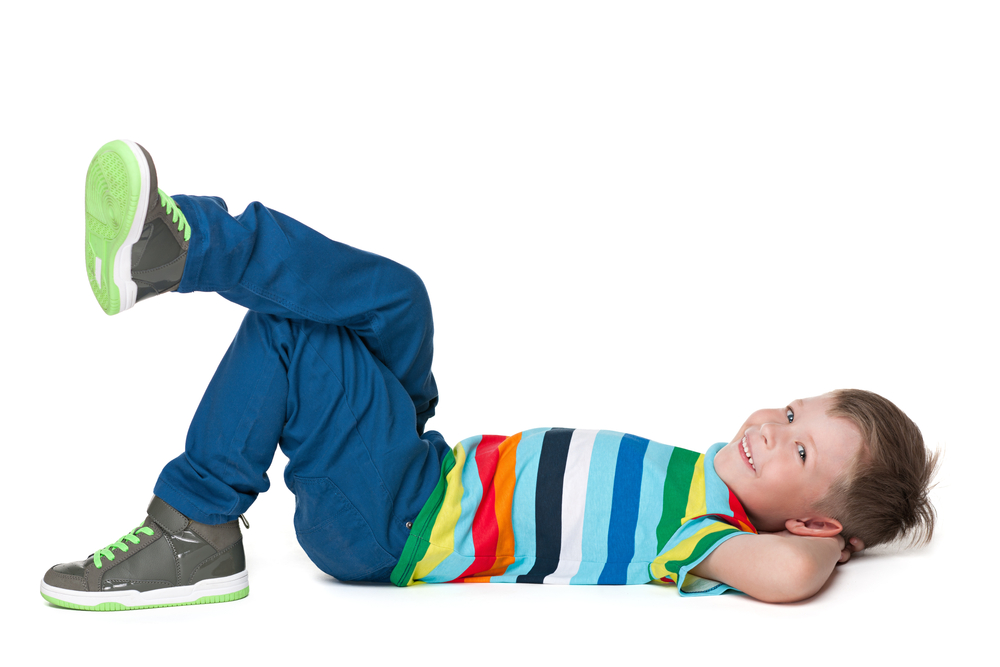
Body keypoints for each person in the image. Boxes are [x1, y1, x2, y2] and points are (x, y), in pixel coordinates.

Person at [40, 140, 939, 610]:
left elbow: (782, 574)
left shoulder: (703, 531)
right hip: (423, 462)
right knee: (399, 298)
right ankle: (177, 243)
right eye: (792, 410)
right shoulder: (696, 473)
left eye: (800, 450)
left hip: (393, 524)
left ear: (814, 518)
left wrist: (834, 546)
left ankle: (194, 527)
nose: (773, 428)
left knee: (293, 333)